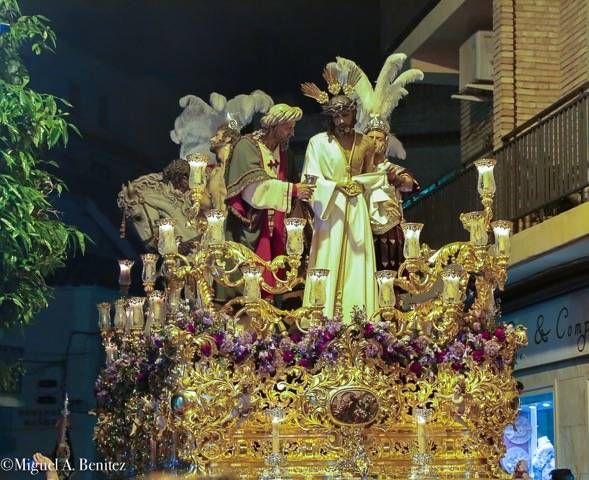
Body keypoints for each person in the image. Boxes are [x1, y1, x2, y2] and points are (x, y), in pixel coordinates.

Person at [300, 61, 394, 321]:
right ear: (330, 117)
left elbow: (375, 175)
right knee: (327, 257)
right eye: (336, 116)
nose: (342, 121)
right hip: (330, 211)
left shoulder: (365, 143)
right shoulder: (317, 143)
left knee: (358, 258)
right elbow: (309, 180)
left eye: (346, 115)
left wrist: (362, 185)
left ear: (354, 114)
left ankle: (358, 316)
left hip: (357, 208)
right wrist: (336, 186)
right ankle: (324, 316)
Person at [334, 54, 422, 271]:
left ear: (386, 141)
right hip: (361, 230)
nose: (375, 142)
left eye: (379, 138)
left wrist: (397, 179)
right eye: (370, 138)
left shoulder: (393, 168)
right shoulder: (357, 168)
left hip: (391, 230)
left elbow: (411, 184)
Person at [224, 103, 314, 290]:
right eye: (288, 127)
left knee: (277, 280)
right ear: (273, 126)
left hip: (277, 230)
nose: (292, 133)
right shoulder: (246, 146)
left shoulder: (285, 153)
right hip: (250, 227)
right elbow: (253, 192)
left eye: (293, 127)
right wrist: (294, 190)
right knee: (249, 284)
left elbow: (293, 186)